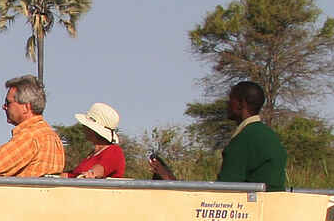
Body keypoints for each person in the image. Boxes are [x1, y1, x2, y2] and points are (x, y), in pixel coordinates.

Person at [148, 80, 287, 190]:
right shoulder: (268, 135)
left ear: (240, 104)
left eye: (230, 99)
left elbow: (224, 192)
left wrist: (170, 181)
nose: (227, 104)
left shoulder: (245, 139)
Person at [67, 102, 125, 179]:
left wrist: (91, 174)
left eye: (85, 125)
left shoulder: (114, 151)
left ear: (92, 130)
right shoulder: (93, 154)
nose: (83, 127)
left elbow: (100, 169)